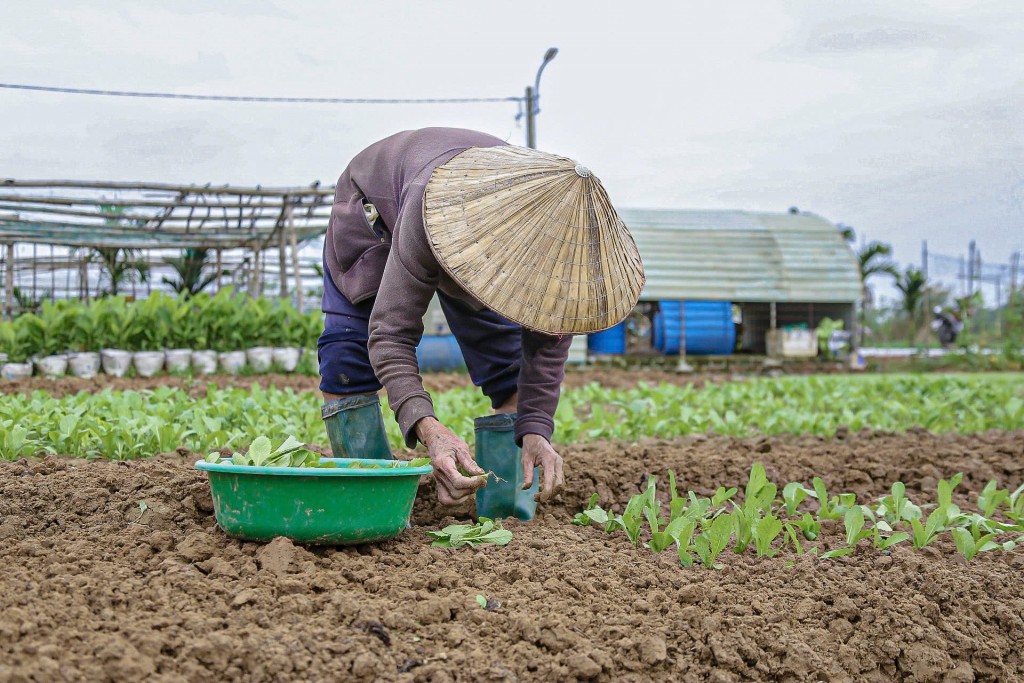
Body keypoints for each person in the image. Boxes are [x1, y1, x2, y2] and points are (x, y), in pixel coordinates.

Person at [317, 127, 644, 520]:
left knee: (510, 374)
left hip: (475, 232)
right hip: (378, 212)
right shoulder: (432, 205)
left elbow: (545, 352)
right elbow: (390, 335)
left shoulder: (566, 260)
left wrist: (536, 429)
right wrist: (429, 429)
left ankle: (507, 511)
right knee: (348, 358)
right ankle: (370, 505)